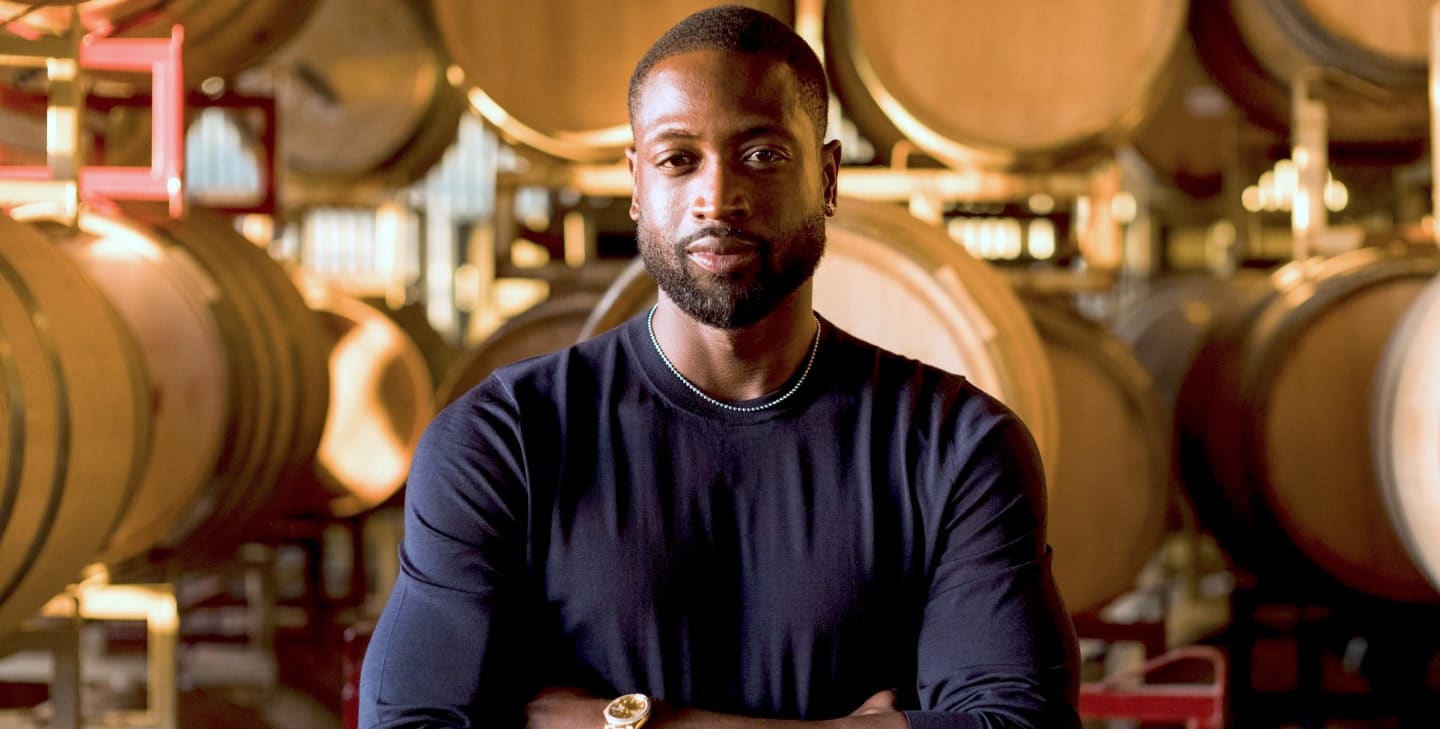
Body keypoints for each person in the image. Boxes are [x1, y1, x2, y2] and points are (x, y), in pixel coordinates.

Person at [359, 5, 1079, 728]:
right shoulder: (503, 439)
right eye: (678, 159)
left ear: (827, 178)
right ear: (637, 185)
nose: (717, 197)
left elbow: (1021, 724)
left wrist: (618, 721)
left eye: (762, 154)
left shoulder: (958, 445)